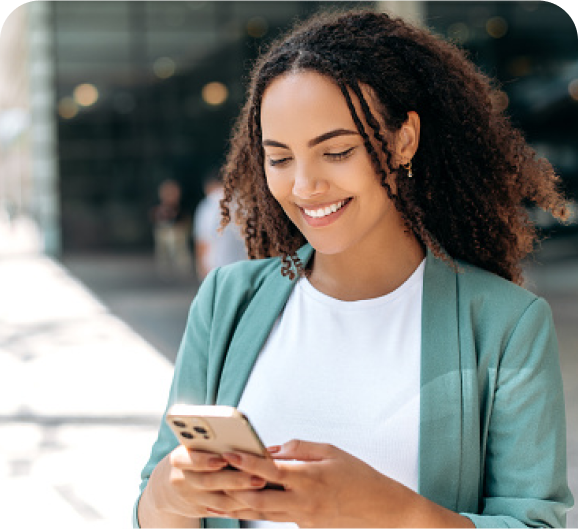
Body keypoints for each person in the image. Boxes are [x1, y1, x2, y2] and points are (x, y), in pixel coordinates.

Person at [135, 9, 574, 529]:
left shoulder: (505, 325)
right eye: (279, 159)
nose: (304, 186)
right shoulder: (227, 301)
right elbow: (153, 506)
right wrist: (170, 495)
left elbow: (536, 523)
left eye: (336, 151)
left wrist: (388, 513)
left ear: (404, 140)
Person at [192, 173, 247, 281]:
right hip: (243, 268)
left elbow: (202, 241)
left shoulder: (208, 205)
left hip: (216, 268)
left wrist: (201, 269)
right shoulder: (242, 202)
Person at [149, 179, 193, 280]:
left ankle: (183, 269)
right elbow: (154, 216)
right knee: (163, 251)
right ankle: (164, 270)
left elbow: (185, 219)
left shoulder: (181, 205)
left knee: (181, 252)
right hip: (163, 229)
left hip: (177, 230)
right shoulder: (159, 205)